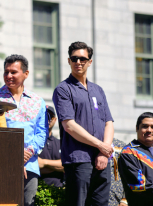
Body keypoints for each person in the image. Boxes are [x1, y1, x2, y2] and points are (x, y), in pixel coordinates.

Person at [52, 41, 114, 206]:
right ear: (69, 61)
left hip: (102, 159)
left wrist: (104, 151)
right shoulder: (63, 89)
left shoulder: (98, 90)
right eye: (74, 59)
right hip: (78, 160)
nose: (78, 62)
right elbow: (69, 126)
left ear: (90, 62)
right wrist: (101, 146)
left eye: (82, 59)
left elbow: (108, 122)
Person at [0, 54, 48, 206]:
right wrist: (14, 154)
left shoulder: (37, 101)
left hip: (29, 165)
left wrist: (27, 152)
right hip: (1, 165)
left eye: (13, 72)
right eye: (6, 72)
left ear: (26, 74)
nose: (8, 76)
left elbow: (42, 133)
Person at [118, 112, 153, 206]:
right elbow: (138, 183)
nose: (149, 130)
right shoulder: (128, 153)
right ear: (137, 128)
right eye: (145, 126)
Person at [38, 105, 64, 187]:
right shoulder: (32, 142)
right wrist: (56, 165)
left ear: (55, 120)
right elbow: (32, 167)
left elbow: (67, 166)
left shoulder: (61, 143)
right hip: (36, 189)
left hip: (59, 190)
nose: (47, 119)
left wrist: (44, 163)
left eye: (50, 117)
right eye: (44, 116)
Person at [109, 138, 127, 206]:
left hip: (116, 201)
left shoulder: (121, 146)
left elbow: (128, 174)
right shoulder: (87, 143)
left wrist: (125, 200)